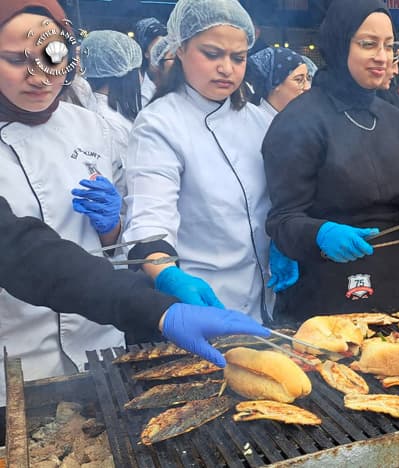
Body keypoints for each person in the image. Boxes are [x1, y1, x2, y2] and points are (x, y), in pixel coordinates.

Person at [0, 194, 272, 443]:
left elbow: (128, 223)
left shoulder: (97, 137)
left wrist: (112, 230)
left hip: (102, 327)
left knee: (114, 412)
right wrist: (158, 307)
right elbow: (20, 249)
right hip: (24, 343)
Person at [123, 0, 296, 324]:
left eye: (238, 58)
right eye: (212, 54)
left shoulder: (258, 120)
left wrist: (286, 241)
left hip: (264, 301)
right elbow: (149, 221)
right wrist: (168, 276)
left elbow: (281, 197)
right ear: (182, 50)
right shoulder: (159, 123)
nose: (227, 68)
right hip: (200, 304)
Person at [262, 0, 399, 324]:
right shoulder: (299, 121)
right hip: (327, 291)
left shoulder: (394, 120)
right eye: (367, 44)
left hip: (397, 282)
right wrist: (320, 233)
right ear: (340, 44)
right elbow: (282, 220)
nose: (382, 57)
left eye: (388, 46)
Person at [0, 0, 127, 405]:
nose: (40, 77)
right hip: (16, 351)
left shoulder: (92, 127)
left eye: (51, 56)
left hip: (100, 340)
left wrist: (112, 225)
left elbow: (118, 240)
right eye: (18, 59)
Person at [80, 30, 143, 151]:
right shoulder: (110, 122)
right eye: (138, 70)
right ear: (123, 72)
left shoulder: (97, 107)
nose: (141, 77)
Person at [245, 47, 310, 112]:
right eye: (298, 79)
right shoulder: (249, 118)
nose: (307, 87)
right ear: (275, 83)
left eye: (308, 78)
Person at [133, 17, 167, 107]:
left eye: (166, 47)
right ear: (145, 53)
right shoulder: (137, 91)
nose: (163, 53)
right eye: (157, 49)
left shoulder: (182, 82)